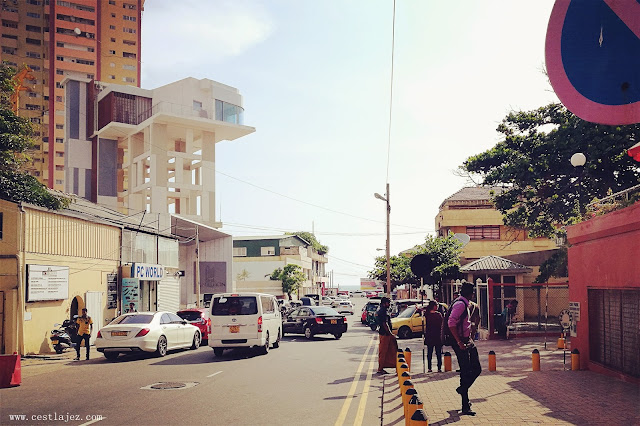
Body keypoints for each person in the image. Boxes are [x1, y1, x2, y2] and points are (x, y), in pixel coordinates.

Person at [448, 282, 481, 416]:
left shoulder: (464, 303)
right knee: (466, 371)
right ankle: (465, 404)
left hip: (468, 340)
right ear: (471, 293)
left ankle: (462, 389)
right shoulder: (460, 304)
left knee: (476, 368)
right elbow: (451, 323)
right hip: (461, 341)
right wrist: (459, 341)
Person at [376, 297, 398, 374]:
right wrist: (390, 333)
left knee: (391, 350)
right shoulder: (383, 311)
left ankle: (395, 366)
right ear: (384, 303)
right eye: (388, 303)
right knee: (383, 351)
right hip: (385, 334)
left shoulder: (383, 310)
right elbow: (385, 324)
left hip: (386, 334)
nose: (389, 304)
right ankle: (380, 368)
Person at [424, 301, 443, 372]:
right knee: (432, 352)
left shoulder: (436, 314)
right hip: (433, 335)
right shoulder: (429, 314)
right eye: (436, 305)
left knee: (436, 352)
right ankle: (431, 367)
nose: (437, 307)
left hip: (434, 335)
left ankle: (437, 367)